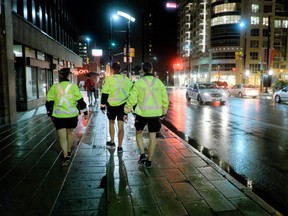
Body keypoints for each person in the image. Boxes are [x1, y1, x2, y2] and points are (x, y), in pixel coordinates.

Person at [123, 62, 169, 168]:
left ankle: (142, 155)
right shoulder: (159, 83)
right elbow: (165, 99)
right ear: (152, 70)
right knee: (152, 137)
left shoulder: (138, 83)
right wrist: (163, 112)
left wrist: (126, 111)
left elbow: (132, 99)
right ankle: (149, 161)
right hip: (155, 115)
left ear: (143, 70)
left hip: (141, 114)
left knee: (138, 133)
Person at [46, 68, 88, 166]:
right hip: (71, 115)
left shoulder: (54, 87)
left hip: (59, 115)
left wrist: (49, 113)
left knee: (62, 137)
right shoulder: (73, 87)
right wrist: (85, 112)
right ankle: (68, 152)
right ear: (68, 75)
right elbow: (81, 101)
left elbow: (49, 102)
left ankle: (65, 157)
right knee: (70, 133)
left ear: (60, 76)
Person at [100, 62, 133, 154]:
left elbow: (105, 93)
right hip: (122, 105)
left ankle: (112, 142)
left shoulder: (109, 80)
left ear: (112, 70)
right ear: (120, 69)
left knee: (111, 122)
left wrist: (103, 106)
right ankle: (120, 147)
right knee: (121, 126)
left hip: (111, 105)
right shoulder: (127, 80)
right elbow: (132, 93)